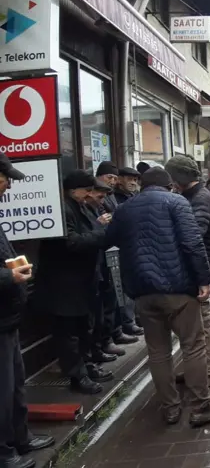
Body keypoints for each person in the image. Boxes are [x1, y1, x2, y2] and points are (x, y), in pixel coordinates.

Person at [106, 167, 210, 428]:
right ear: (169, 184)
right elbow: (192, 242)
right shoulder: (176, 202)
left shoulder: (125, 208)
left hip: (142, 291)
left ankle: (170, 408)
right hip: (177, 287)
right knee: (193, 345)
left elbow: (109, 239)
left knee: (158, 352)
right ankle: (201, 407)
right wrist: (203, 279)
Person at [35, 170, 113, 394]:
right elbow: (72, 243)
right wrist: (101, 232)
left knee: (83, 328)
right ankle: (77, 375)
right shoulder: (62, 209)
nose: (90, 194)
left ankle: (87, 366)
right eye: (86, 190)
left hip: (81, 281)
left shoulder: (80, 206)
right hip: (64, 283)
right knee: (68, 332)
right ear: (72, 190)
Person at [0, 154, 55, 468]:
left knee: (15, 385)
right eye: (5, 177)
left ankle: (21, 438)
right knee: (2, 390)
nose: (8, 185)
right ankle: (4, 452)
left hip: (8, 318)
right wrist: (9, 276)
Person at [164, 156, 210, 389]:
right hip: (195, 265)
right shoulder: (190, 196)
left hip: (200, 265)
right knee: (194, 324)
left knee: (204, 322)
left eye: (172, 177)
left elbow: (196, 231)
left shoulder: (199, 197)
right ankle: (198, 369)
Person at [83, 181, 137, 361]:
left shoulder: (94, 208)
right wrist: (99, 225)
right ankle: (99, 346)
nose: (102, 200)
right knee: (98, 311)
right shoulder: (81, 210)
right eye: (99, 196)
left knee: (109, 301)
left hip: (105, 260)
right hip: (93, 266)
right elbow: (80, 239)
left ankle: (107, 339)